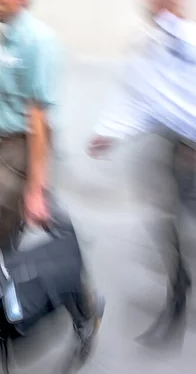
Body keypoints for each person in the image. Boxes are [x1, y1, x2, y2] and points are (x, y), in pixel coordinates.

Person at [0, 0, 103, 362]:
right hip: (8, 152)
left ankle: (76, 308)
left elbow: (38, 119)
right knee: (4, 254)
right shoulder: (7, 37)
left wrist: (34, 187)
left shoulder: (38, 41)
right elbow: (5, 98)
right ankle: (70, 306)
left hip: (25, 155)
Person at [88, 0, 195, 348]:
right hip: (180, 153)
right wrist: (110, 131)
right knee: (168, 227)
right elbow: (143, 102)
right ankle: (178, 295)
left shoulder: (189, 41)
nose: (155, 7)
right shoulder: (151, 48)